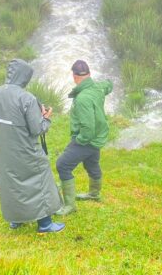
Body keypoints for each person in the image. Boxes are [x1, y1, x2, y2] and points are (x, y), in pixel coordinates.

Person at [0, 59, 65, 234]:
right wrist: (46, 117)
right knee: (40, 178)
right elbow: (37, 129)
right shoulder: (27, 98)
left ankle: (16, 220)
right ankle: (45, 224)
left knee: (11, 183)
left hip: (3, 151)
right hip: (26, 150)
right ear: (25, 77)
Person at [55, 60, 113, 216]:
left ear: (74, 76)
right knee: (91, 163)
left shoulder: (82, 99)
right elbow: (109, 84)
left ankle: (69, 206)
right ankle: (94, 194)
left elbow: (87, 129)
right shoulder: (98, 87)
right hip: (98, 138)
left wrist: (78, 141)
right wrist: (108, 83)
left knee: (62, 165)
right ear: (89, 74)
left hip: (87, 140)